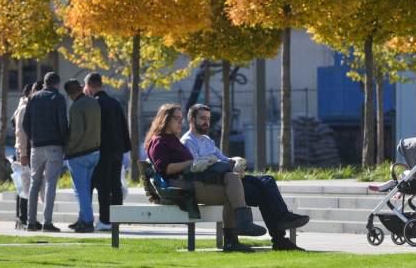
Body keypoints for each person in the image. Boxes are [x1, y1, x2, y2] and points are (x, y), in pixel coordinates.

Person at [181, 104, 309, 251]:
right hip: (217, 184)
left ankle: (282, 222)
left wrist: (235, 161)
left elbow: (223, 159)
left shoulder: (208, 140)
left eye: (208, 119)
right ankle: (280, 235)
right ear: (191, 119)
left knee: (268, 180)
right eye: (202, 118)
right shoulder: (187, 141)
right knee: (264, 195)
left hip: (229, 178)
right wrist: (228, 168)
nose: (206, 122)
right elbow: (199, 168)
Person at [144, 104, 266, 252]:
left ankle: (234, 237)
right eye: (177, 118)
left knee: (232, 182)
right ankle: (236, 233)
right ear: (165, 119)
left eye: (181, 118)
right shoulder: (158, 141)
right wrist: (191, 162)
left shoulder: (174, 140)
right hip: (180, 185)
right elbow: (166, 169)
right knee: (231, 189)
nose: (180, 122)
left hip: (192, 181)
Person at [83, 72, 132, 232]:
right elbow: (123, 126)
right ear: (102, 85)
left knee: (103, 186)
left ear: (88, 87)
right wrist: (125, 146)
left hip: (102, 150)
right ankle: (117, 219)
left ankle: (105, 220)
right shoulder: (115, 102)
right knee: (115, 185)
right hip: (117, 149)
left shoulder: (94, 104)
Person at [23, 72, 67, 232]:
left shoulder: (33, 98)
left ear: (44, 84)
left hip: (36, 146)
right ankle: (47, 222)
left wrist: (33, 137)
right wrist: (64, 141)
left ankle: (30, 222)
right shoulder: (58, 98)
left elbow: (24, 123)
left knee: (34, 184)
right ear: (57, 84)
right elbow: (63, 123)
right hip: (54, 145)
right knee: (50, 184)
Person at [63, 79, 101, 233]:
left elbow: (76, 132)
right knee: (86, 189)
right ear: (81, 87)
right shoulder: (94, 103)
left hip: (79, 154)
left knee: (81, 191)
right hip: (95, 152)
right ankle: (82, 219)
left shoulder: (75, 108)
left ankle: (87, 221)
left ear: (69, 94)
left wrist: (68, 148)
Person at [11, 83, 40, 230]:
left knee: (29, 185)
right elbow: (20, 133)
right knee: (24, 185)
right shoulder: (24, 107)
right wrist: (23, 154)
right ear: (33, 92)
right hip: (24, 152)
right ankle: (21, 219)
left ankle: (28, 217)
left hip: (29, 151)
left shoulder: (31, 106)